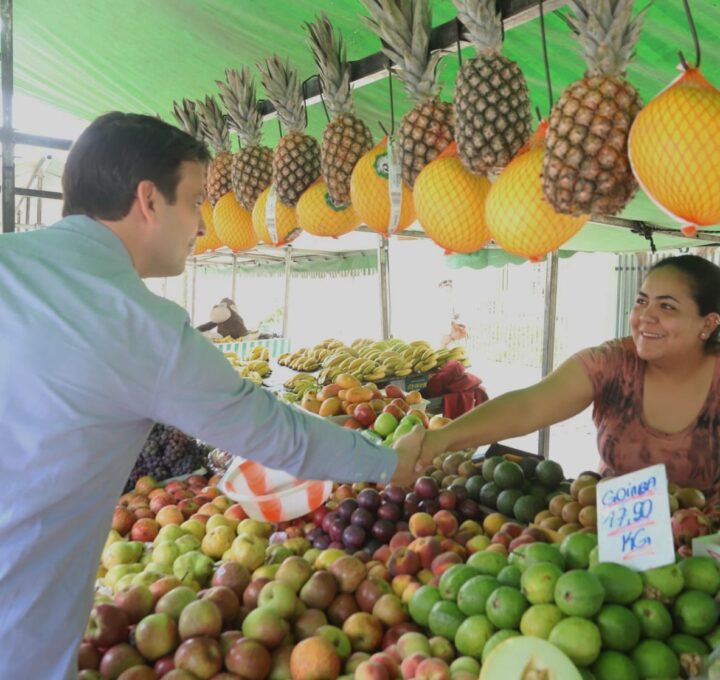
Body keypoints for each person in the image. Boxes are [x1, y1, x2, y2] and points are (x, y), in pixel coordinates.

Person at [0, 112, 424, 680]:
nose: (201, 225)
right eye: (195, 201)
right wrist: (389, 462)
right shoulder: (140, 327)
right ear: (148, 200)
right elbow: (276, 433)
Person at [421, 254, 720, 493]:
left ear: (707, 324)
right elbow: (527, 407)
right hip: (607, 540)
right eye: (642, 301)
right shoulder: (613, 362)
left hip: (702, 554)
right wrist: (440, 440)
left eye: (667, 306)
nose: (645, 317)